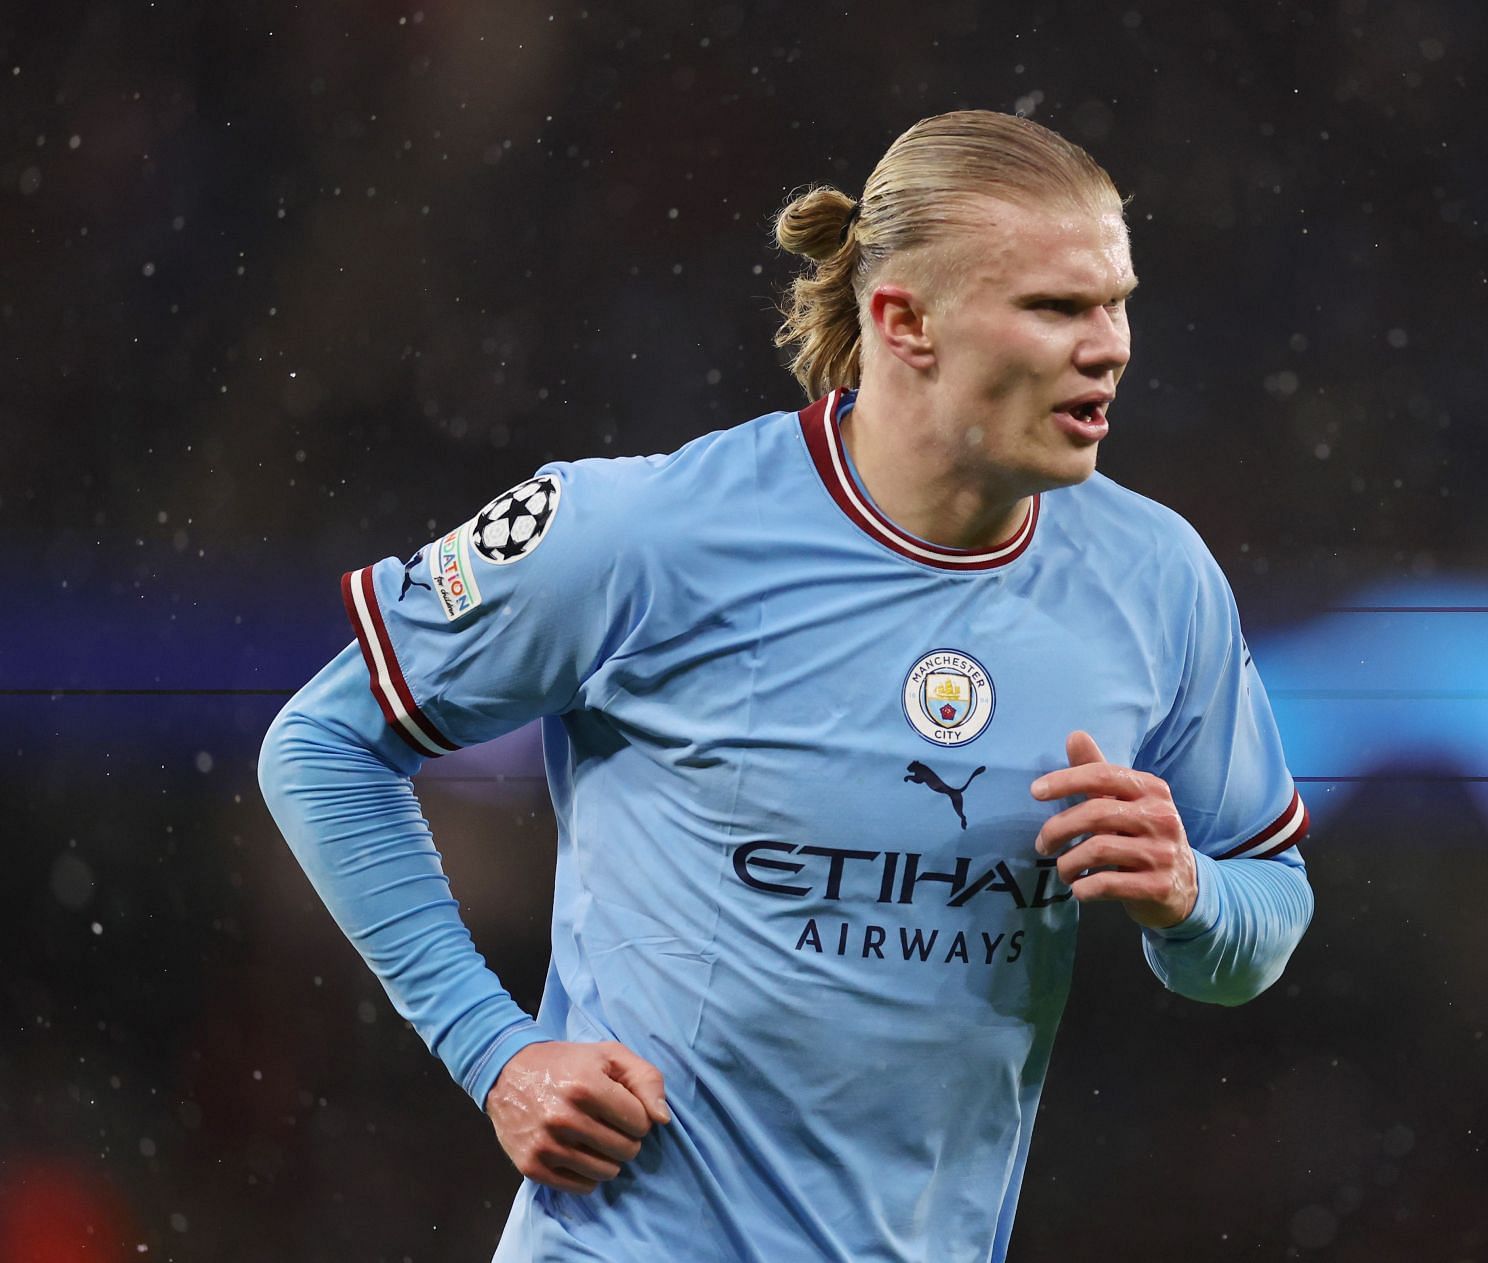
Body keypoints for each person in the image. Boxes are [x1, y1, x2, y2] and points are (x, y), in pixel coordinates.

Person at [258, 109, 1314, 1262]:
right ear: (903, 320)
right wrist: (493, 1050)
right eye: (1057, 308)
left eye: (1116, 301)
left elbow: (1264, 913)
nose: (1109, 346)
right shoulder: (647, 534)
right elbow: (323, 744)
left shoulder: (1155, 578)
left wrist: (1189, 895)